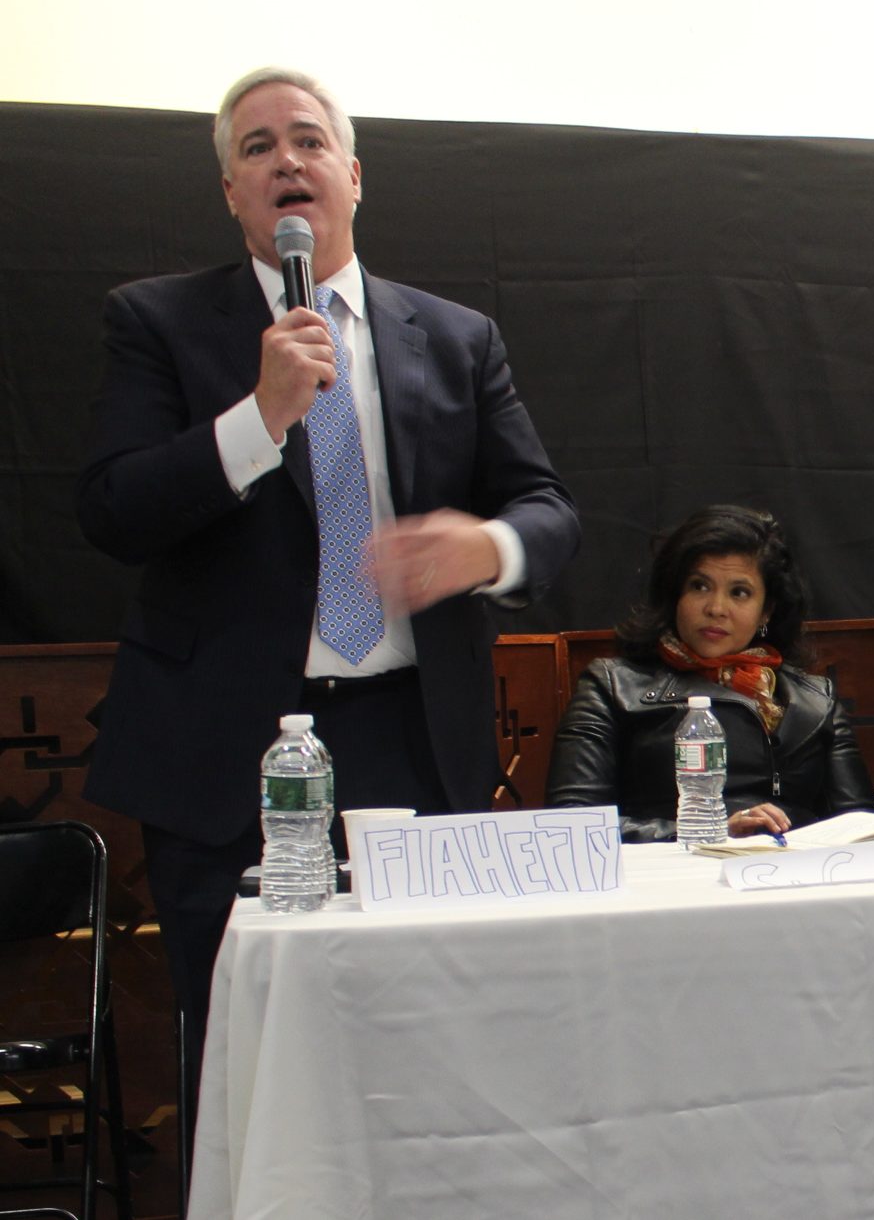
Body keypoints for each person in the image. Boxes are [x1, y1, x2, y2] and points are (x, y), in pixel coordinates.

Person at [74, 68, 580, 1077]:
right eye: (255, 149)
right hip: (229, 756)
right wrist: (256, 419)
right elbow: (115, 509)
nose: (285, 161)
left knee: (424, 1049)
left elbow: (549, 513)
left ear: (352, 174)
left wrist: (488, 548)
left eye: (306, 140)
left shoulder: (455, 337)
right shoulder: (159, 322)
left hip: (410, 742)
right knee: (250, 1062)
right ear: (231, 194)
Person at [546, 506, 872, 838]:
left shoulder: (816, 701)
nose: (716, 608)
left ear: (766, 612)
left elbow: (862, 828)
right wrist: (708, 833)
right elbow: (571, 825)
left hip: (788, 877)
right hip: (668, 878)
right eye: (700, 586)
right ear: (675, 596)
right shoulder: (612, 686)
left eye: (739, 593)